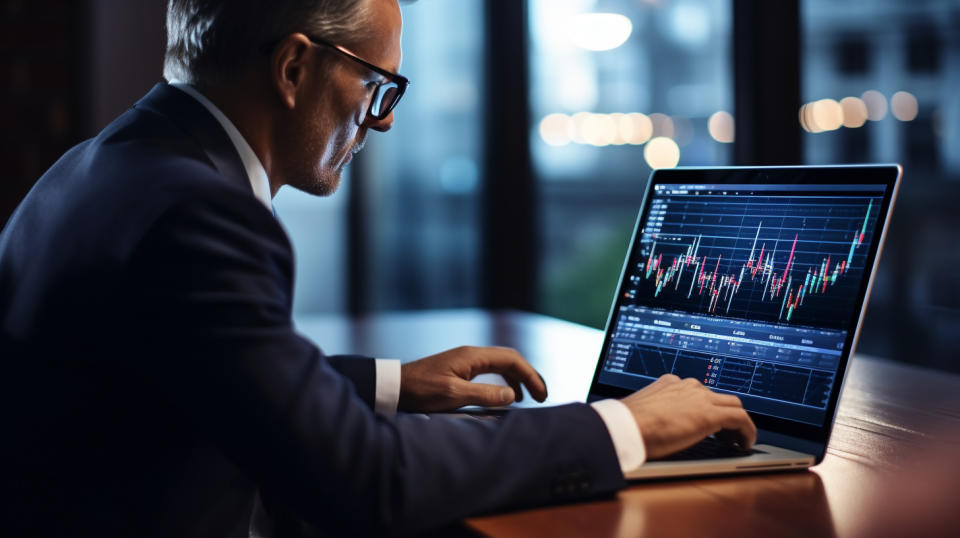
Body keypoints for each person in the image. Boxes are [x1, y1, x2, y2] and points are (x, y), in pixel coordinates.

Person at [0, 0, 756, 536]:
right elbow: (365, 482)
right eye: (377, 84)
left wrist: (389, 384)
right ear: (295, 66)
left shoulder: (94, 168)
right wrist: (622, 426)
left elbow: (187, 368)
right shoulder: (200, 213)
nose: (384, 118)